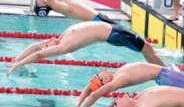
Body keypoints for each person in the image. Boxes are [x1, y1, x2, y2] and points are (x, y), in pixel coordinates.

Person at [7, 21, 164, 76]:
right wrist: (18, 65)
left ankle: (161, 71)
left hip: (114, 30)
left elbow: (35, 47)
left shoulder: (61, 38)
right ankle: (165, 73)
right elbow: (39, 54)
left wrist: (17, 59)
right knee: (148, 49)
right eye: (47, 45)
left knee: (147, 50)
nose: (48, 42)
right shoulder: (63, 46)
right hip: (115, 34)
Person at [74, 63, 184, 107]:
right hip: (167, 77)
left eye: (97, 74)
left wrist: (77, 104)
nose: (100, 72)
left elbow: (90, 88)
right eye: (99, 77)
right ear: (104, 82)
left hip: (163, 77)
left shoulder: (116, 74)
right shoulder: (116, 81)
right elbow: (94, 94)